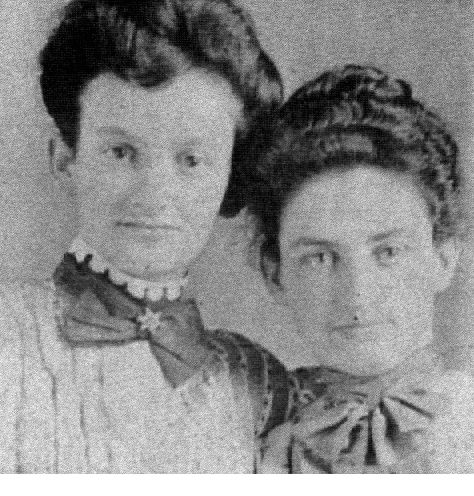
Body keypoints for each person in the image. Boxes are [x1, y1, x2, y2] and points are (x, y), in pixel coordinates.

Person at [0, 0, 293, 473]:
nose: (154, 194)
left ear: (229, 178)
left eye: (192, 160)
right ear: (66, 159)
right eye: (121, 152)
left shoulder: (260, 385)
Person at [245, 65, 474, 473]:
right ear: (275, 273)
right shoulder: (259, 450)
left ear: (443, 257)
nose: (356, 295)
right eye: (320, 257)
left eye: (388, 252)